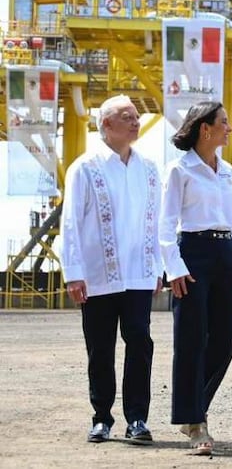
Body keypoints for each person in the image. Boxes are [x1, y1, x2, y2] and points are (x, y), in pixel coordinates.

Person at [58, 95, 162, 445]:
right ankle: (101, 417)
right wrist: (73, 271)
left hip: (138, 274)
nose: (135, 122)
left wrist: (158, 267)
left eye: (136, 116)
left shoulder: (149, 169)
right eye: (126, 117)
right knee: (100, 347)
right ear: (105, 124)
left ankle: (137, 418)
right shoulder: (85, 167)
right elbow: (70, 222)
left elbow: (157, 222)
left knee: (140, 342)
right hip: (98, 277)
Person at [159, 101, 232, 456]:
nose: (229, 128)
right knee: (191, 339)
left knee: (225, 339)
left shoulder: (226, 170)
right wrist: (174, 267)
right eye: (224, 122)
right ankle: (195, 420)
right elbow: (165, 224)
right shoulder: (179, 170)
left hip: (225, 252)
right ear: (205, 128)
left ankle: (194, 407)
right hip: (192, 254)